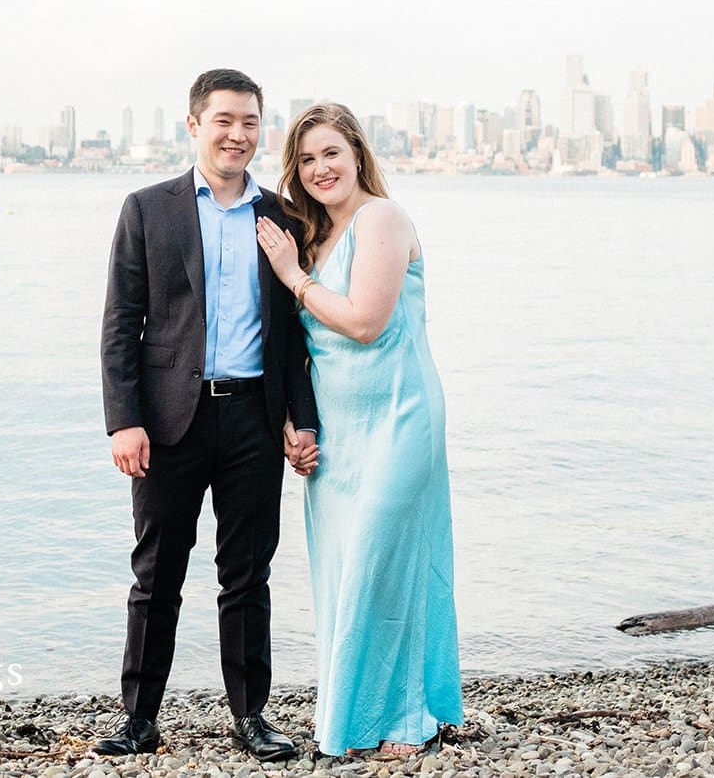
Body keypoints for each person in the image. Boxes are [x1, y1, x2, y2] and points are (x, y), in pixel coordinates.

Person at [96, 69, 322, 761]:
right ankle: (139, 717)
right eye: (224, 120)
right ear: (194, 125)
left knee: (247, 575)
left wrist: (300, 417)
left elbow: (292, 337)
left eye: (250, 121)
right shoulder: (147, 209)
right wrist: (122, 420)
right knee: (156, 574)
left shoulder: (281, 217)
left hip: (253, 417)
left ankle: (251, 716)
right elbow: (120, 326)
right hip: (168, 423)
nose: (238, 134)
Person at [253, 102, 463, 757]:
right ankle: (354, 711)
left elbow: (365, 320)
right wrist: (297, 422)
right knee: (345, 571)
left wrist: (293, 277)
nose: (320, 169)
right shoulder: (311, 237)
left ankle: (407, 716)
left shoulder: (383, 219)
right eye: (307, 159)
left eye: (330, 153)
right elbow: (303, 349)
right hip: (339, 436)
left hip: (401, 418)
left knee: (388, 564)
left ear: (357, 153)